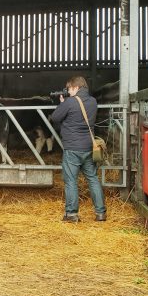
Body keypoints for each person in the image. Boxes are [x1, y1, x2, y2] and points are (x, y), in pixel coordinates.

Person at [49, 76, 106, 223]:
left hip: (73, 148)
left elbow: (55, 118)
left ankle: (72, 214)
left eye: (69, 88)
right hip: (89, 147)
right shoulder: (93, 101)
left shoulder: (69, 102)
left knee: (71, 181)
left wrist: (62, 104)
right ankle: (100, 213)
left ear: (76, 87)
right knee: (93, 178)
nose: (68, 91)